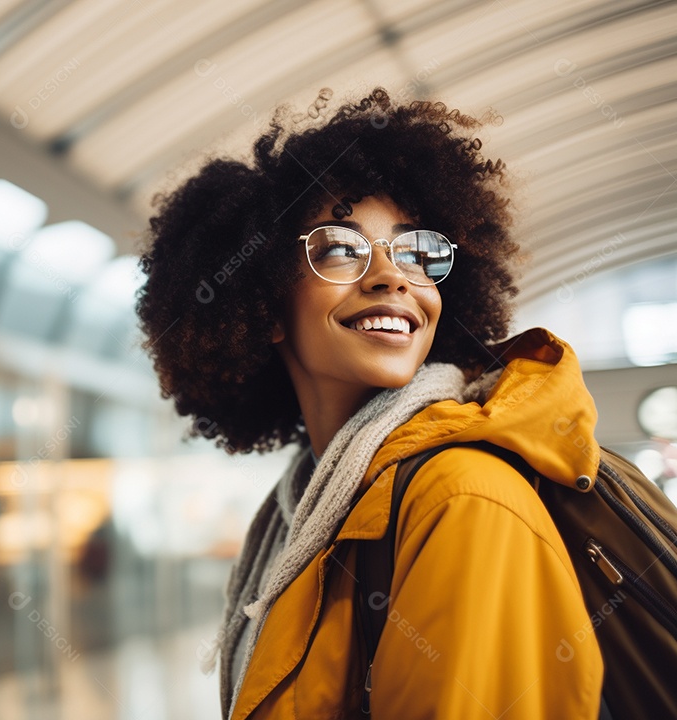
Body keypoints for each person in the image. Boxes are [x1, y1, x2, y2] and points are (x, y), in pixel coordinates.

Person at [136, 87, 604, 719]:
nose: (392, 275)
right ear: (265, 304)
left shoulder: (459, 497)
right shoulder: (305, 508)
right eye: (339, 248)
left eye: (418, 251)